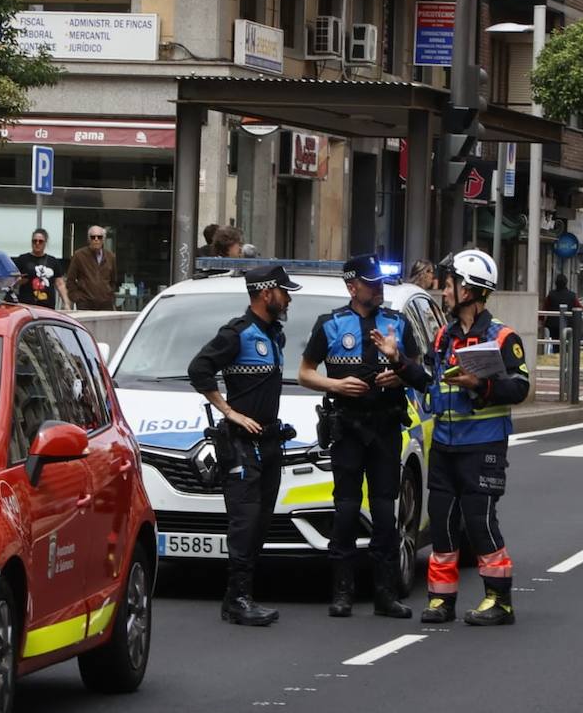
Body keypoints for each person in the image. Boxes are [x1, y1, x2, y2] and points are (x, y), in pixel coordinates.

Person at [299, 253, 427, 620]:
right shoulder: (331, 325)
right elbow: (305, 372)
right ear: (352, 287)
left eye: (380, 282)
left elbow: (418, 371)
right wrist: (336, 384)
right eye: (371, 283)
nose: (378, 289)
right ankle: (342, 592)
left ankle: (385, 593)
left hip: (386, 427)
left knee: (386, 512)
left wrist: (398, 374)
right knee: (346, 510)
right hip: (347, 427)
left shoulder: (397, 323)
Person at [420, 249, 529, 626]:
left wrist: (480, 385)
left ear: (468, 290)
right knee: (442, 521)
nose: (443, 291)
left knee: (479, 521)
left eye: (449, 285)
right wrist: (398, 363)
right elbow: (430, 380)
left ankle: (499, 600)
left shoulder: (502, 337)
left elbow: (519, 387)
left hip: (482, 444)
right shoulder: (442, 336)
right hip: (445, 443)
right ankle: (441, 599)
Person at [187, 265, 300, 626]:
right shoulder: (237, 334)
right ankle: (236, 600)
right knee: (244, 522)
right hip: (240, 445)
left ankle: (243, 596)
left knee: (261, 522)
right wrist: (228, 411)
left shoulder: (275, 336)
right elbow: (198, 369)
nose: (288, 298)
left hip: (268, 444)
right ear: (266, 293)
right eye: (284, 291)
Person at [65, 225, 117, 310]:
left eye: (99, 237)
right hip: (85, 303)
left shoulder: (110, 257)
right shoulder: (79, 255)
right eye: (93, 237)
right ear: (89, 239)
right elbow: (70, 280)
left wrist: (109, 295)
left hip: (105, 304)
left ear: (103, 240)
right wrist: (77, 298)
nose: (96, 239)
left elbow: (113, 280)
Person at [13, 228, 67, 309]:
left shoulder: (53, 261)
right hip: (27, 305)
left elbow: (60, 284)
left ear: (45, 243)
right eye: (34, 241)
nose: (37, 243)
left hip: (48, 306)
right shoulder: (22, 259)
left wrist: (66, 303)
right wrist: (20, 281)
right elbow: (12, 282)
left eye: (40, 241)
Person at [543, 273, 580, 352]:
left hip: (553, 325)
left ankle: (557, 357)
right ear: (566, 283)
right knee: (567, 345)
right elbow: (578, 307)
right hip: (568, 324)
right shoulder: (572, 295)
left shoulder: (551, 295)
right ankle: (565, 359)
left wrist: (541, 320)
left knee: (556, 344)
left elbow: (545, 308)